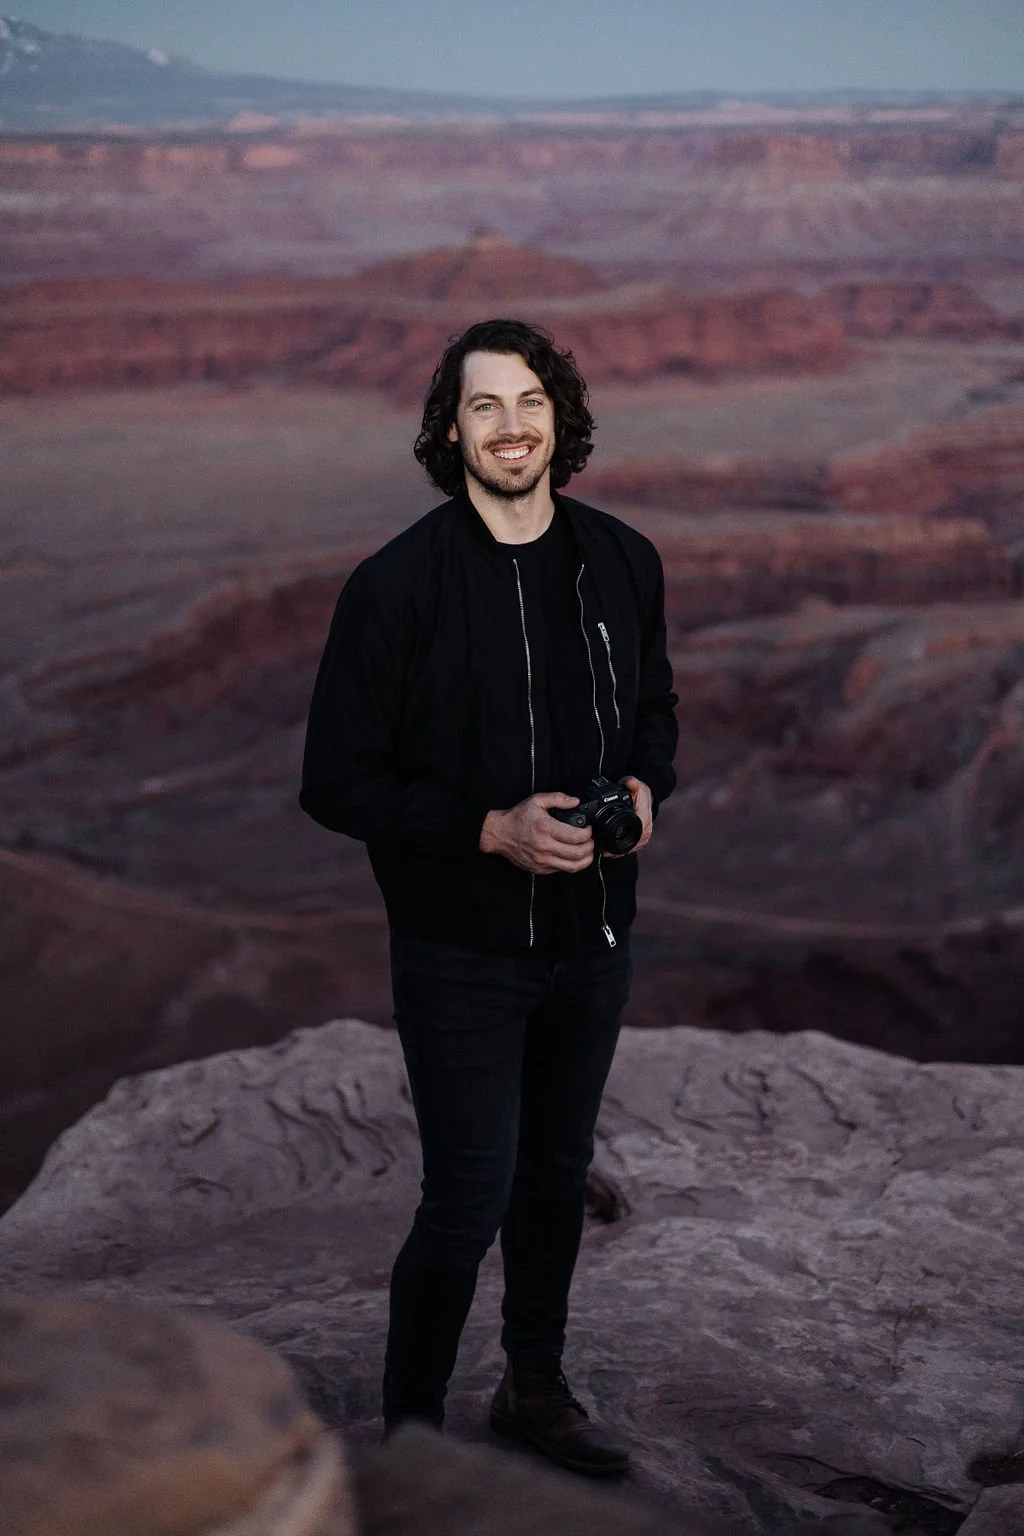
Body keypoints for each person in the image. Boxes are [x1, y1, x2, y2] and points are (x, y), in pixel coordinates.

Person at [300, 318, 678, 1476]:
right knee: (468, 1199)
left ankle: (533, 1385)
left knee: (556, 1177)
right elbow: (336, 780)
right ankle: (410, 1443)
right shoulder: (396, 587)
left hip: (593, 935)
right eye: (482, 407)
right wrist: (486, 830)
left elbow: (655, 706)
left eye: (528, 403)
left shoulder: (622, 558)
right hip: (459, 948)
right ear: (446, 429)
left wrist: (643, 786)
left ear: (559, 418)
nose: (509, 428)